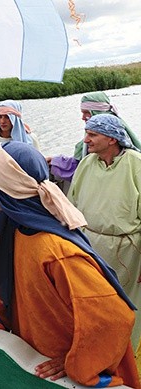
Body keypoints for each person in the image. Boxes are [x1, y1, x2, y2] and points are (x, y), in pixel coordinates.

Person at [0, 141, 139, 388]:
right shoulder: (15, 230)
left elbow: (113, 316)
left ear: (10, 190)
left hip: (63, 364)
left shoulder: (56, 251)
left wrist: (77, 360)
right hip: (38, 352)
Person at [67, 114, 141, 348]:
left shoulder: (136, 164)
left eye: (92, 134)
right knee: (95, 303)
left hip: (128, 253)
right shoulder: (87, 163)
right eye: (86, 133)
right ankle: (99, 349)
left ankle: (127, 352)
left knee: (127, 305)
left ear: (111, 139)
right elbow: (72, 206)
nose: (86, 140)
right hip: (90, 246)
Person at [48, 91, 141, 182]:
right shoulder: (109, 130)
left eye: (86, 112)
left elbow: (78, 168)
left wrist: (57, 162)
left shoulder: (108, 131)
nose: (83, 117)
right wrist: (55, 161)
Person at [0, 100, 40, 166]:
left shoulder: (31, 139)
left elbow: (38, 166)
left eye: (7, 117)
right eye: (0, 117)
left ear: (15, 119)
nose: (2, 121)